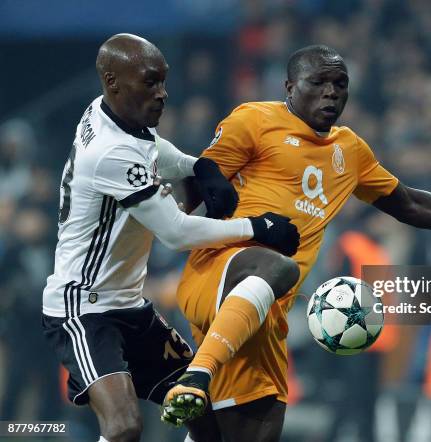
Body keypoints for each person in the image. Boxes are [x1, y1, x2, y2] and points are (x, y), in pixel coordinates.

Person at [162, 44, 431, 441]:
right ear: (288, 86)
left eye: (340, 83)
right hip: (221, 276)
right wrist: (157, 212)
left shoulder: (349, 150)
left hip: (265, 315)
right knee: (276, 265)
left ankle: (199, 387)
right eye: (318, 82)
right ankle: (199, 372)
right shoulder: (253, 119)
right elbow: (198, 182)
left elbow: (410, 204)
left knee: (248, 432)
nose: (331, 92)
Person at [41, 33, 299, 442]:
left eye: (163, 81)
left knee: (201, 408)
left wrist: (199, 166)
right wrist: (257, 227)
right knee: (124, 427)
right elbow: (176, 233)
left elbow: (152, 148)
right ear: (113, 81)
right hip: (83, 308)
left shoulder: (108, 113)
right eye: (150, 82)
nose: (162, 93)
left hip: (130, 307)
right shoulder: (109, 152)